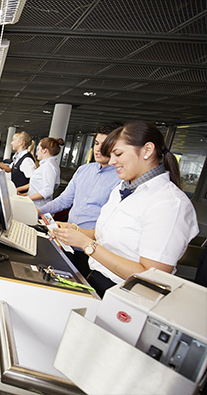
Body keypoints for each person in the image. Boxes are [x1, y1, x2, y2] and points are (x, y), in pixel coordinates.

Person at [52, 121, 199, 297]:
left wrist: (86, 244)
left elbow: (150, 278)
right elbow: (106, 237)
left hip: (126, 296)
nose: (112, 161)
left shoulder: (170, 203)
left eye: (118, 154)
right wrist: (75, 231)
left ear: (147, 150)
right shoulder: (122, 189)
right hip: (96, 280)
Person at [38, 123, 122, 276]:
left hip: (92, 250)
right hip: (65, 241)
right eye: (96, 143)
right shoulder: (84, 170)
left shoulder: (121, 179)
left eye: (104, 145)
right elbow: (63, 200)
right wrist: (36, 211)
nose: (98, 149)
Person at [19, 137, 63, 207]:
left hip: (39, 206)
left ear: (44, 150)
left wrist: (25, 199)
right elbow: (37, 187)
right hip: (35, 205)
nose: (37, 153)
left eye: (38, 149)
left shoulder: (48, 166)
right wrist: (22, 196)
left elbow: (47, 191)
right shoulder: (48, 164)